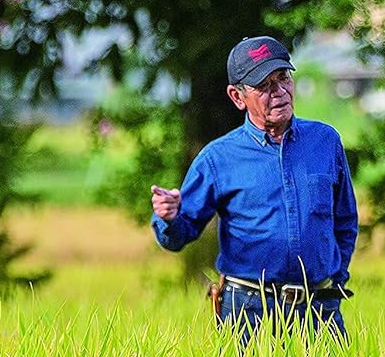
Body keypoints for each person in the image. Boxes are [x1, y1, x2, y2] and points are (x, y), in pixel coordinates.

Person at [151, 35, 358, 339]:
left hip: (319, 310)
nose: (280, 92)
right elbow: (180, 235)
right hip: (248, 312)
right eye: (264, 86)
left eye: (283, 77)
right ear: (237, 97)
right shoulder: (218, 158)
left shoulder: (325, 142)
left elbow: (345, 221)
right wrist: (169, 217)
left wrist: (335, 278)